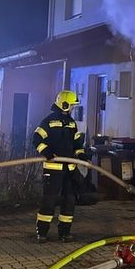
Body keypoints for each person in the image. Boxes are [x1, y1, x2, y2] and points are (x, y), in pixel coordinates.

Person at [31, 90, 86, 243]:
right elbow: (36, 139)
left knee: (69, 201)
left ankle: (64, 233)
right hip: (53, 169)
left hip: (69, 169)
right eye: (72, 106)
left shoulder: (71, 123)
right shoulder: (48, 121)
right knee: (49, 201)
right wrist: (48, 153)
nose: (73, 108)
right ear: (65, 104)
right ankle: (42, 233)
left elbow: (77, 143)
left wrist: (81, 154)